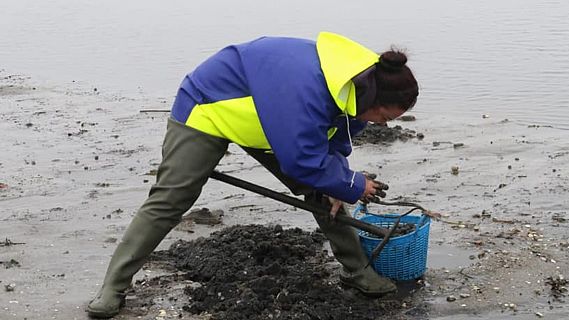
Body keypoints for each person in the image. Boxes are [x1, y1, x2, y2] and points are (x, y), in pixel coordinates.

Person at [87, 31, 419, 318]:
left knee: (323, 188)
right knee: (170, 200)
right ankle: (113, 287)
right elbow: (301, 160)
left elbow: (332, 143)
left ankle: (356, 269)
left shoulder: (357, 86)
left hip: (269, 123)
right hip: (209, 107)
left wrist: (340, 183)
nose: (384, 125)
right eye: (385, 117)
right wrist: (353, 184)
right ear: (374, 99)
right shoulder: (304, 88)